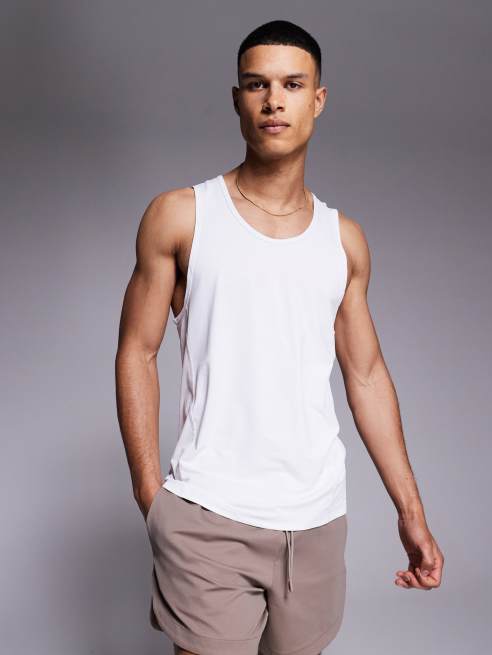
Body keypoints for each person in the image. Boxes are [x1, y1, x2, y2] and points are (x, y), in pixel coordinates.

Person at [115, 19, 444, 655]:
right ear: (237, 98)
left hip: (316, 523)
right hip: (207, 515)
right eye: (256, 85)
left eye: (292, 85)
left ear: (317, 100)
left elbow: (366, 376)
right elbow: (137, 351)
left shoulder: (343, 240)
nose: (273, 101)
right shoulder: (181, 216)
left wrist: (411, 511)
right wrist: (150, 495)